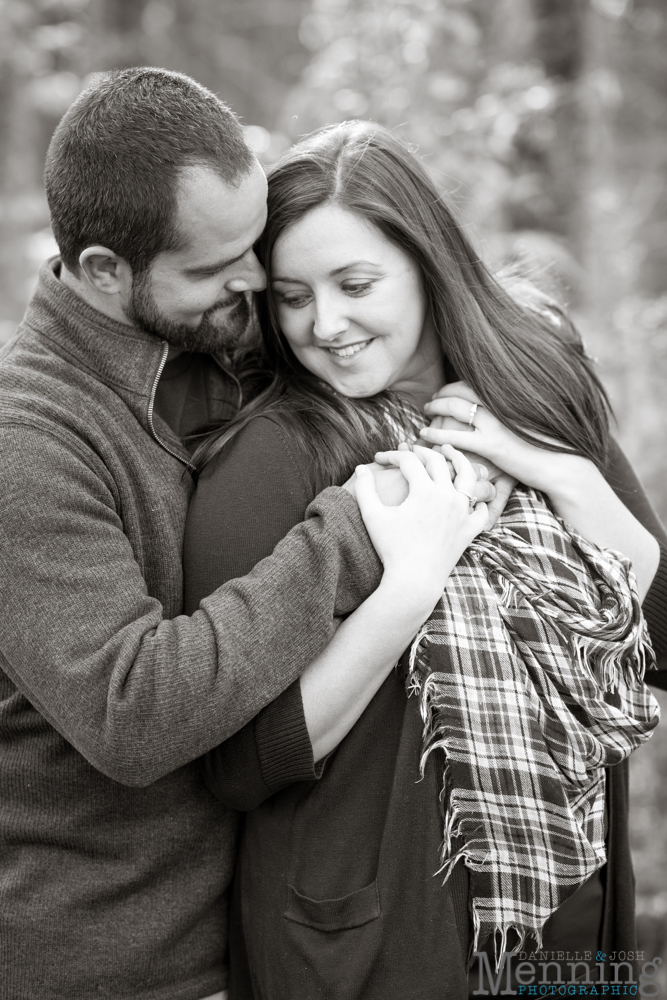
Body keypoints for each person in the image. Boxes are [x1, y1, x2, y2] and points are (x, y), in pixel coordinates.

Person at [0, 70, 496, 1000]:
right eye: (213, 266)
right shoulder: (27, 449)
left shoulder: (209, 346)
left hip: (249, 944)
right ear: (105, 270)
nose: (256, 280)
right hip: (109, 971)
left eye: (252, 242)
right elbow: (133, 713)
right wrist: (355, 528)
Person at [182, 121, 667, 999]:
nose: (324, 325)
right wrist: (408, 586)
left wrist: (552, 468)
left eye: (355, 283)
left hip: (567, 920)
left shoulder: (532, 379)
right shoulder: (277, 455)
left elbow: (656, 636)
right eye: (292, 296)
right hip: (371, 943)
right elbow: (239, 764)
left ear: (429, 263)